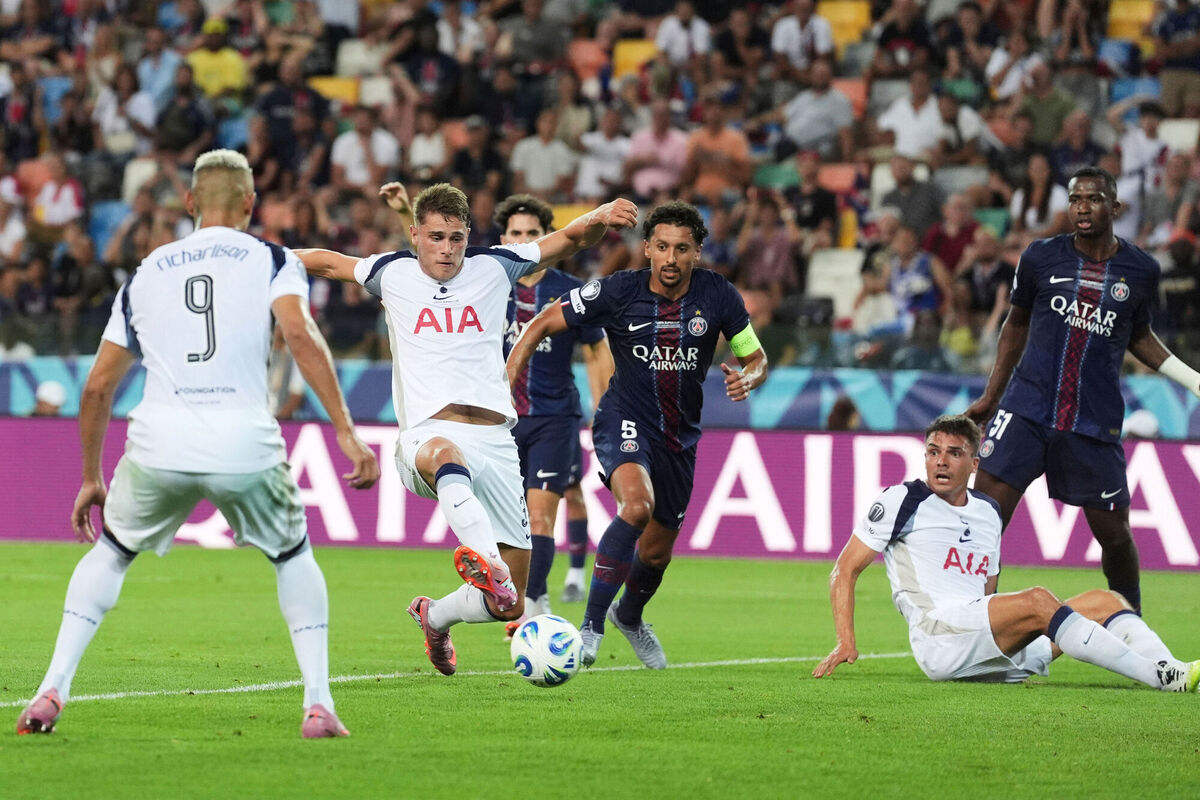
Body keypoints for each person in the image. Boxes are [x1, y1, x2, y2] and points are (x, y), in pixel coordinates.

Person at [16, 150, 380, 739]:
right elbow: (299, 333)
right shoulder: (272, 258)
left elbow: (98, 387)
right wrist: (344, 429)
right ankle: (318, 704)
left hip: (160, 441)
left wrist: (91, 475)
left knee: (109, 552)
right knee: (292, 556)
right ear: (250, 204)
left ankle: (51, 688)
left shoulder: (145, 273)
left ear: (188, 204)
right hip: (244, 441)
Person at [295, 183, 637, 676]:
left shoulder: (496, 264)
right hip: (425, 437)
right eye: (436, 237)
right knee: (443, 452)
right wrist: (264, 257)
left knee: (510, 605)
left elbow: (570, 239)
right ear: (415, 235)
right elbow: (327, 262)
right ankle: (486, 561)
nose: (448, 249)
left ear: (468, 235)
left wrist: (600, 213)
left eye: (456, 238)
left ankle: (434, 616)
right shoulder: (390, 272)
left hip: (496, 442)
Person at [506, 201, 769, 669]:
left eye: (682, 249)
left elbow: (754, 356)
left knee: (656, 552)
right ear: (646, 248)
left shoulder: (719, 296)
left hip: (680, 437)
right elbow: (543, 322)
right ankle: (589, 627)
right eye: (662, 247)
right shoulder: (618, 290)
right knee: (636, 506)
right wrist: (505, 387)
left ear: (697, 252)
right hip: (623, 417)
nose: (670, 258)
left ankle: (629, 616)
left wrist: (750, 376)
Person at [812, 414, 1199, 691]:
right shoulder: (903, 499)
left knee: (1108, 600)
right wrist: (846, 639)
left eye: (953, 453)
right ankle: (1162, 678)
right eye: (932, 452)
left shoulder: (987, 511)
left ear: (974, 464)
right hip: (940, 637)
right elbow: (844, 570)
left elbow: (987, 591)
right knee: (1038, 601)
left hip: (980, 637)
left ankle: (1171, 667)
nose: (940, 461)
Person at [965, 167, 1200, 614]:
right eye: (1075, 200)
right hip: (1027, 407)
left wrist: (1194, 380)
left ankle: (1130, 620)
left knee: (1114, 536)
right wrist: (993, 396)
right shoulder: (1040, 257)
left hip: (1091, 420)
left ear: (1115, 207)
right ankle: (975, 623)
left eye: (1092, 199)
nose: (1082, 208)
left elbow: (1139, 336)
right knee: (982, 522)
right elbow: (1015, 325)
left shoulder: (1141, 270)